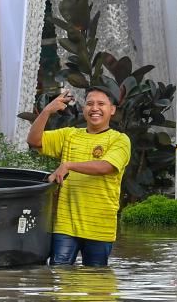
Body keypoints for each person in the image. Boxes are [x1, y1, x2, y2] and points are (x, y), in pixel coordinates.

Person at [26, 86, 131, 266]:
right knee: (59, 276)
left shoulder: (119, 139)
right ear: (84, 109)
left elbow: (106, 166)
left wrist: (69, 165)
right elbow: (34, 141)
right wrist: (47, 111)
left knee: (97, 284)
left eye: (101, 104)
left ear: (112, 110)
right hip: (65, 224)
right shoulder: (70, 135)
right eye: (89, 103)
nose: (94, 108)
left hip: (100, 225)